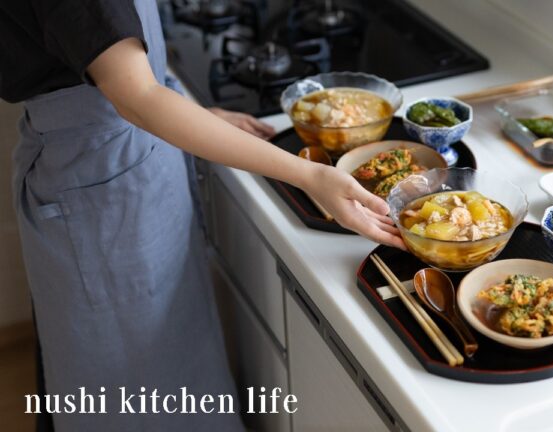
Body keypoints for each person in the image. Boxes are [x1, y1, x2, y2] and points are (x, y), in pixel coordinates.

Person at [0, 0, 405, 430]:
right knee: (129, 396)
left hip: (126, 162)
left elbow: (121, 75)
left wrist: (185, 110)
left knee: (171, 377)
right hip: (99, 183)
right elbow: (135, 97)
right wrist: (310, 175)